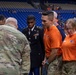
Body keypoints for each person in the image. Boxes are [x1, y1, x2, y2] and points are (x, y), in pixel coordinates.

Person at [41, 11, 62, 75]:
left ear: (51, 20)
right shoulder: (46, 29)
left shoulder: (54, 33)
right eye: (42, 20)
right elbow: (47, 47)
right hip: (48, 59)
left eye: (44, 21)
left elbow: (55, 52)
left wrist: (47, 62)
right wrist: (45, 59)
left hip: (54, 60)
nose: (42, 23)